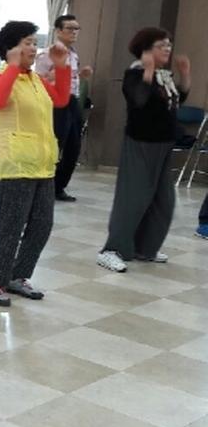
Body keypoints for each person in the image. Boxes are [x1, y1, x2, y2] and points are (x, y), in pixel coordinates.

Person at [0, 21, 72, 307]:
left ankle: (18, 276)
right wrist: (11, 66)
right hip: (14, 165)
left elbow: (60, 99)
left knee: (42, 225)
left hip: (42, 164)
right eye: (27, 43)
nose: (33, 48)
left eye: (35, 42)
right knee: (10, 226)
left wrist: (62, 67)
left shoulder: (35, 80)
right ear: (10, 48)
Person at [98, 28, 190, 273]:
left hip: (163, 143)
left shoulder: (164, 75)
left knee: (163, 200)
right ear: (146, 50)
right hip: (141, 143)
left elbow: (177, 98)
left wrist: (185, 75)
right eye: (162, 45)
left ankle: (145, 248)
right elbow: (139, 100)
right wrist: (148, 71)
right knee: (133, 198)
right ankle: (112, 250)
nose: (168, 49)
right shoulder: (134, 74)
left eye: (169, 45)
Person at [35, 15, 93, 202]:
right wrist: (54, 75)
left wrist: (80, 74)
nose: (74, 32)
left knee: (74, 146)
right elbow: (38, 79)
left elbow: (72, 79)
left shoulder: (73, 54)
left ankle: (59, 187)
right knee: (54, 145)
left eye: (77, 29)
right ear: (58, 31)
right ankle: (43, 185)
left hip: (72, 101)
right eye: (69, 28)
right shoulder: (47, 54)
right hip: (54, 103)